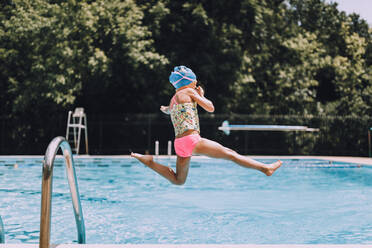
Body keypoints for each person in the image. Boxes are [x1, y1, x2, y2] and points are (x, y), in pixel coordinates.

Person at [131, 65, 282, 185]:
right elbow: (210, 107)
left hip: (180, 143)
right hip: (192, 140)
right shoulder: (189, 91)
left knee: (178, 180)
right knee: (231, 154)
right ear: (187, 81)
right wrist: (201, 96)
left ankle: (150, 163)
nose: (196, 83)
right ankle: (265, 168)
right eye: (194, 80)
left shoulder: (174, 98)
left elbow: (169, 111)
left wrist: (165, 109)